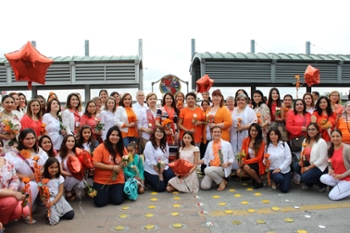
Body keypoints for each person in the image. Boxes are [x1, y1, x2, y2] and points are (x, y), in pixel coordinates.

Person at [4, 129, 48, 213]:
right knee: (32, 185)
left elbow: (46, 164)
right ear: (21, 139)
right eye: (27, 139)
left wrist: (41, 172)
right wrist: (28, 177)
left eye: (33, 138)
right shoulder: (13, 154)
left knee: (51, 181)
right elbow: (11, 172)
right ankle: (24, 212)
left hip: (39, 179)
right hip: (22, 181)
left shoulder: (39, 151)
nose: (31, 141)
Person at [92, 126, 126, 207]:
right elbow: (95, 163)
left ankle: (112, 193)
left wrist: (124, 164)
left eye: (117, 135)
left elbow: (126, 161)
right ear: (108, 136)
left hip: (117, 179)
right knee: (100, 203)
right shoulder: (101, 147)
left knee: (117, 201)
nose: (115, 137)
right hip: (102, 180)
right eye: (112, 135)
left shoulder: (122, 148)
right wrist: (112, 167)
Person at [0, 146, 31, 225]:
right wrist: (13, 194)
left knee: (23, 210)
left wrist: (11, 190)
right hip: (7, 197)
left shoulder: (7, 161)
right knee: (11, 201)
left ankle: (2, 223)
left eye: (0, 145)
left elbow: (15, 179)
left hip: (7, 195)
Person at [293, 123, 328, 192]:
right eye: (309, 129)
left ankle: (322, 184)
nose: (310, 131)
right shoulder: (305, 140)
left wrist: (308, 168)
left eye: (313, 129)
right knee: (296, 166)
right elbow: (302, 153)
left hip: (319, 166)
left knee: (304, 177)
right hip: (309, 162)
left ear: (317, 131)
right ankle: (309, 184)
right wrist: (301, 161)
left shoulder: (321, 142)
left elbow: (322, 159)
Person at [199, 126, 234, 191]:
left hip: (222, 168)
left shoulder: (227, 144)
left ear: (221, 133)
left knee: (206, 170)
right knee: (204, 186)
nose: (216, 134)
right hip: (212, 168)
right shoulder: (209, 144)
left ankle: (221, 182)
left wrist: (228, 163)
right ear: (211, 133)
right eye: (215, 132)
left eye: (218, 132)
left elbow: (232, 158)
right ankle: (220, 180)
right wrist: (197, 162)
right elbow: (206, 159)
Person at [285, 99, 311, 184]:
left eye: (301, 104)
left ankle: (306, 176)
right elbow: (289, 127)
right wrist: (301, 129)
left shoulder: (308, 115)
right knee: (297, 158)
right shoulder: (291, 115)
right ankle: (297, 176)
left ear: (304, 105)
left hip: (309, 138)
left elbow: (312, 126)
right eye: (297, 104)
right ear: (295, 106)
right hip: (296, 139)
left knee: (307, 157)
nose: (299, 106)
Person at [42, 157, 74, 225]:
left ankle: (58, 213)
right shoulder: (43, 179)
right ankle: (52, 214)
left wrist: (54, 202)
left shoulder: (60, 178)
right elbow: (41, 193)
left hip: (58, 198)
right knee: (54, 221)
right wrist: (44, 201)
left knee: (70, 215)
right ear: (47, 168)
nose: (54, 169)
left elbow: (60, 192)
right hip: (49, 198)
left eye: (56, 167)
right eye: (51, 167)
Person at [320, 130, 350, 200]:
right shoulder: (330, 148)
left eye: (337, 136)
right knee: (322, 178)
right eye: (333, 136)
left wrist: (342, 175)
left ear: (341, 137)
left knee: (332, 196)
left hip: (347, 178)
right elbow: (330, 163)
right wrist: (330, 170)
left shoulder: (347, 149)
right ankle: (341, 187)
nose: (335, 138)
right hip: (337, 176)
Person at [143, 126, 175, 192]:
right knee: (160, 188)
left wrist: (162, 167)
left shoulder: (164, 143)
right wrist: (159, 173)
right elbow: (150, 161)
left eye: (161, 132)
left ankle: (164, 180)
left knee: (171, 176)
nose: (159, 133)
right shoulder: (149, 144)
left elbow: (166, 157)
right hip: (151, 168)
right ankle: (149, 181)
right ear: (154, 133)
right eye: (157, 131)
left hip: (163, 166)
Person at [231, 93, 257, 166]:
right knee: (234, 149)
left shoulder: (250, 111)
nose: (240, 101)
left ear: (246, 101)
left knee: (243, 150)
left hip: (245, 134)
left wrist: (243, 127)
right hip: (234, 135)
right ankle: (235, 167)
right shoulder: (235, 110)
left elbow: (254, 123)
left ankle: (243, 167)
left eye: (242, 100)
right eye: (239, 100)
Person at [57, 135, 85, 202]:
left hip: (76, 176)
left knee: (83, 184)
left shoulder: (76, 152)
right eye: (68, 141)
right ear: (65, 142)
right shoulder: (60, 155)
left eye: (72, 141)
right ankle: (68, 190)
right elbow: (60, 171)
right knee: (74, 178)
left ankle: (72, 188)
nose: (70, 143)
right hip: (66, 177)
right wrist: (72, 174)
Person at [237, 123, 265, 189]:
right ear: (249, 131)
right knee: (238, 172)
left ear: (258, 132)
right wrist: (242, 161)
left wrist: (245, 162)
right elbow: (242, 153)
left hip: (257, 164)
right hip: (248, 162)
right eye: (252, 130)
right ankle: (254, 178)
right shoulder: (246, 140)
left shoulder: (261, 142)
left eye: (255, 131)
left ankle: (259, 181)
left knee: (246, 167)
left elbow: (258, 158)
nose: (253, 132)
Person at [264, 128, 292, 193]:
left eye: (275, 134)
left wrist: (280, 168)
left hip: (285, 170)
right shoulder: (267, 147)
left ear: (278, 135)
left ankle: (281, 182)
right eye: (271, 134)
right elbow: (264, 159)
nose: (273, 136)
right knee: (279, 178)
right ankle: (275, 181)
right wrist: (265, 161)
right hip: (273, 170)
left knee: (284, 190)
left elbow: (288, 158)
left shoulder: (284, 144)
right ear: (269, 136)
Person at [156, 93, 179, 161]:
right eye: (167, 98)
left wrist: (178, 134)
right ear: (164, 100)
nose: (169, 100)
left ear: (173, 100)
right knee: (164, 154)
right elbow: (157, 122)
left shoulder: (176, 110)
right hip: (164, 135)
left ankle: (172, 170)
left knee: (173, 155)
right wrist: (164, 131)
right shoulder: (160, 109)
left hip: (174, 136)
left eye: (170, 98)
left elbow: (178, 123)